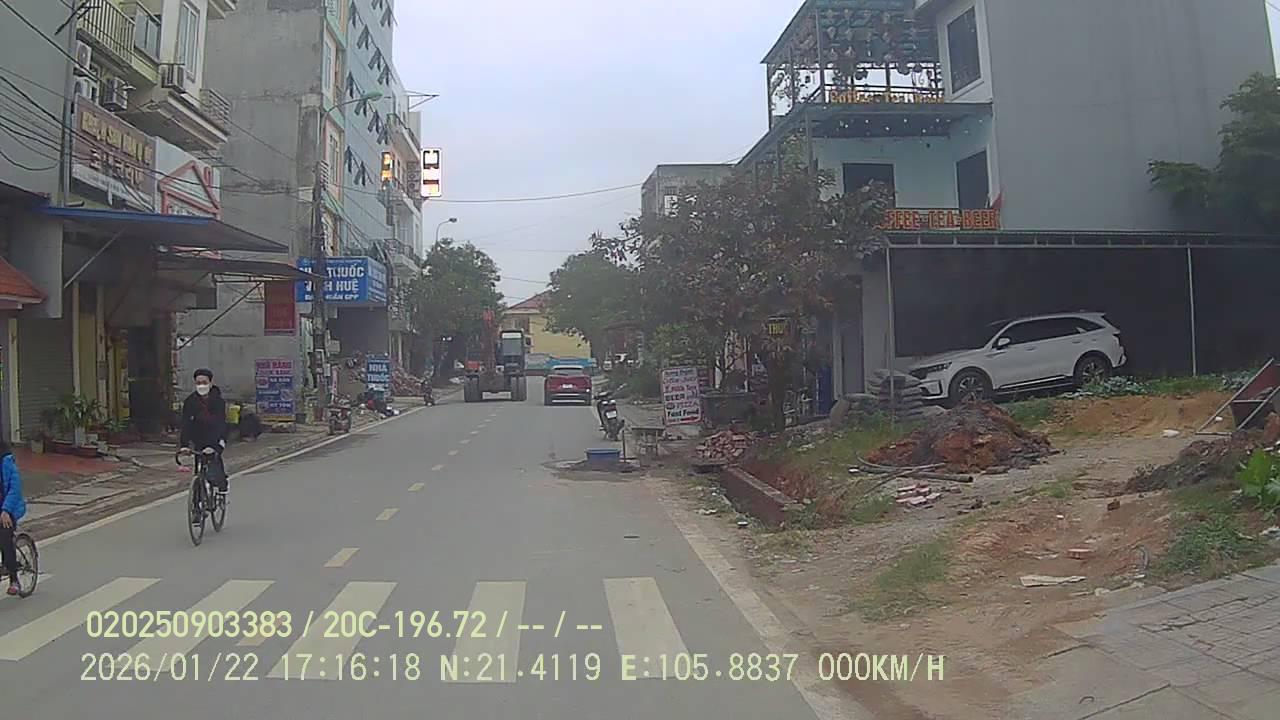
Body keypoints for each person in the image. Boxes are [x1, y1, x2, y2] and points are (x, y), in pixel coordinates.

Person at [179, 368, 229, 494]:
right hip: (198, 438)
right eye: (198, 383)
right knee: (199, 465)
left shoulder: (218, 401)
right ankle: (198, 496)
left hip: (216, 437)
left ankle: (221, 487)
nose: (201, 385)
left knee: (214, 464)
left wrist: (213, 445)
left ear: (210, 383)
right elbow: (186, 423)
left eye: (204, 382)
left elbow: (220, 424)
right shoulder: (190, 401)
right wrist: (184, 444)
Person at [0, 438, 28, 595]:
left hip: (8, 508)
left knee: (5, 537)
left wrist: (5, 510)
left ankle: (14, 579)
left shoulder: (7, 461)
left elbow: (15, 489)